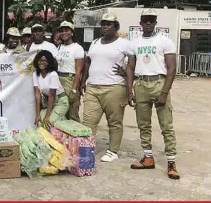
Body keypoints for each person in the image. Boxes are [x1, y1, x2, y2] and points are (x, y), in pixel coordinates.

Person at [126, 9, 180, 180]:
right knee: (143, 124)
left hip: (158, 83)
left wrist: (165, 92)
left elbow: (172, 68)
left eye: (151, 20)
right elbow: (130, 67)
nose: (148, 23)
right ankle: (148, 157)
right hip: (140, 84)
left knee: (166, 125)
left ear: (156, 22)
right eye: (145, 20)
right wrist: (129, 90)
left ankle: (171, 161)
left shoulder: (165, 41)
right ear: (140, 23)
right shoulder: (134, 43)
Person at [81, 13, 129, 163]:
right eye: (103, 24)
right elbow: (88, 62)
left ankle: (113, 151)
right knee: (88, 121)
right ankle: (87, 148)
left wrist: (126, 73)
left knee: (114, 121)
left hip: (114, 87)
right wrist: (84, 80)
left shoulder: (124, 44)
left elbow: (135, 63)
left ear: (116, 26)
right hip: (93, 87)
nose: (105, 27)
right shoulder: (95, 42)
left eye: (109, 24)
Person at [56, 21, 85, 122]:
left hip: (70, 79)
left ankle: (77, 137)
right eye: (61, 31)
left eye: (66, 30)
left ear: (72, 32)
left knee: (72, 112)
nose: (64, 33)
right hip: (59, 79)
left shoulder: (77, 48)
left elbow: (79, 71)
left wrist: (74, 90)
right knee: (62, 111)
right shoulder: (60, 47)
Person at [33, 50, 69, 129]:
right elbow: (37, 95)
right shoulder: (35, 74)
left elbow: (51, 96)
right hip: (49, 103)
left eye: (46, 61)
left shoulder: (52, 74)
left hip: (60, 101)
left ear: (49, 63)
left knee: (48, 122)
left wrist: (47, 116)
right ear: (37, 61)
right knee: (39, 123)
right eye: (41, 60)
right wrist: (38, 115)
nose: (42, 63)